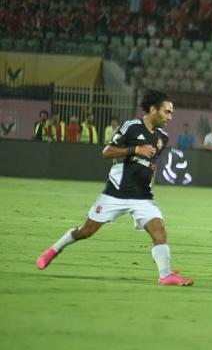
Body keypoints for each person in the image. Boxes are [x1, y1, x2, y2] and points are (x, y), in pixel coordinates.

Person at [36, 90, 193, 286]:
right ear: (153, 109)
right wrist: (134, 150)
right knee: (85, 231)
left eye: (171, 113)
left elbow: (152, 164)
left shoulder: (162, 137)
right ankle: (55, 249)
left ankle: (165, 275)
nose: (170, 116)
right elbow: (107, 151)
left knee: (159, 230)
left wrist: (150, 186)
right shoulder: (132, 127)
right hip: (116, 193)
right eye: (167, 111)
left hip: (142, 196)